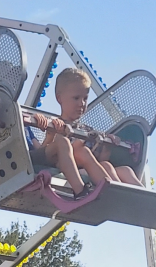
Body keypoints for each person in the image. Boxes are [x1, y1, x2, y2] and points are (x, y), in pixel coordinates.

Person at [39, 69, 142, 197]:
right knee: (86, 153)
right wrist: (83, 140)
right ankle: (116, 196)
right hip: (72, 171)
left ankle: (146, 199)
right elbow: (53, 154)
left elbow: (99, 160)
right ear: (59, 98)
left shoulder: (86, 129)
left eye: (85, 98)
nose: (81, 103)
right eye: (76, 98)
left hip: (90, 169)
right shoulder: (56, 125)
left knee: (119, 169)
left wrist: (106, 146)